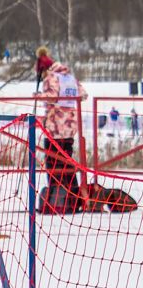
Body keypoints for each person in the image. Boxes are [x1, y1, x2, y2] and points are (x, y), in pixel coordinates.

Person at [36, 47, 83, 206]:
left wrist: (38, 96)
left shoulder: (51, 77)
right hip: (70, 128)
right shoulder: (69, 77)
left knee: (53, 162)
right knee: (68, 161)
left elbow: (52, 96)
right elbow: (82, 94)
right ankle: (73, 194)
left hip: (55, 128)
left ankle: (57, 195)